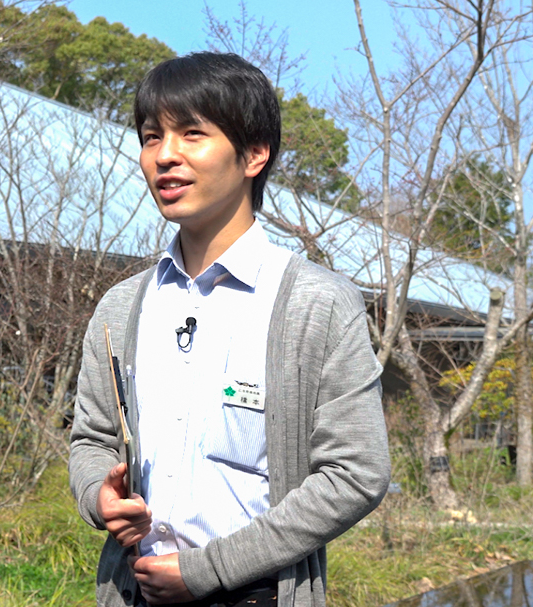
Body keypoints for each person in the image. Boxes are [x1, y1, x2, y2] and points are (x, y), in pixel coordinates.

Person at [69, 52, 390, 607]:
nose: (165, 156)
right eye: (151, 137)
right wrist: (100, 496)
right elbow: (91, 439)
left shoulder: (317, 304)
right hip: (133, 593)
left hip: (260, 595)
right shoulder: (120, 308)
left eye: (192, 134)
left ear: (254, 154)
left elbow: (356, 472)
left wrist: (208, 570)